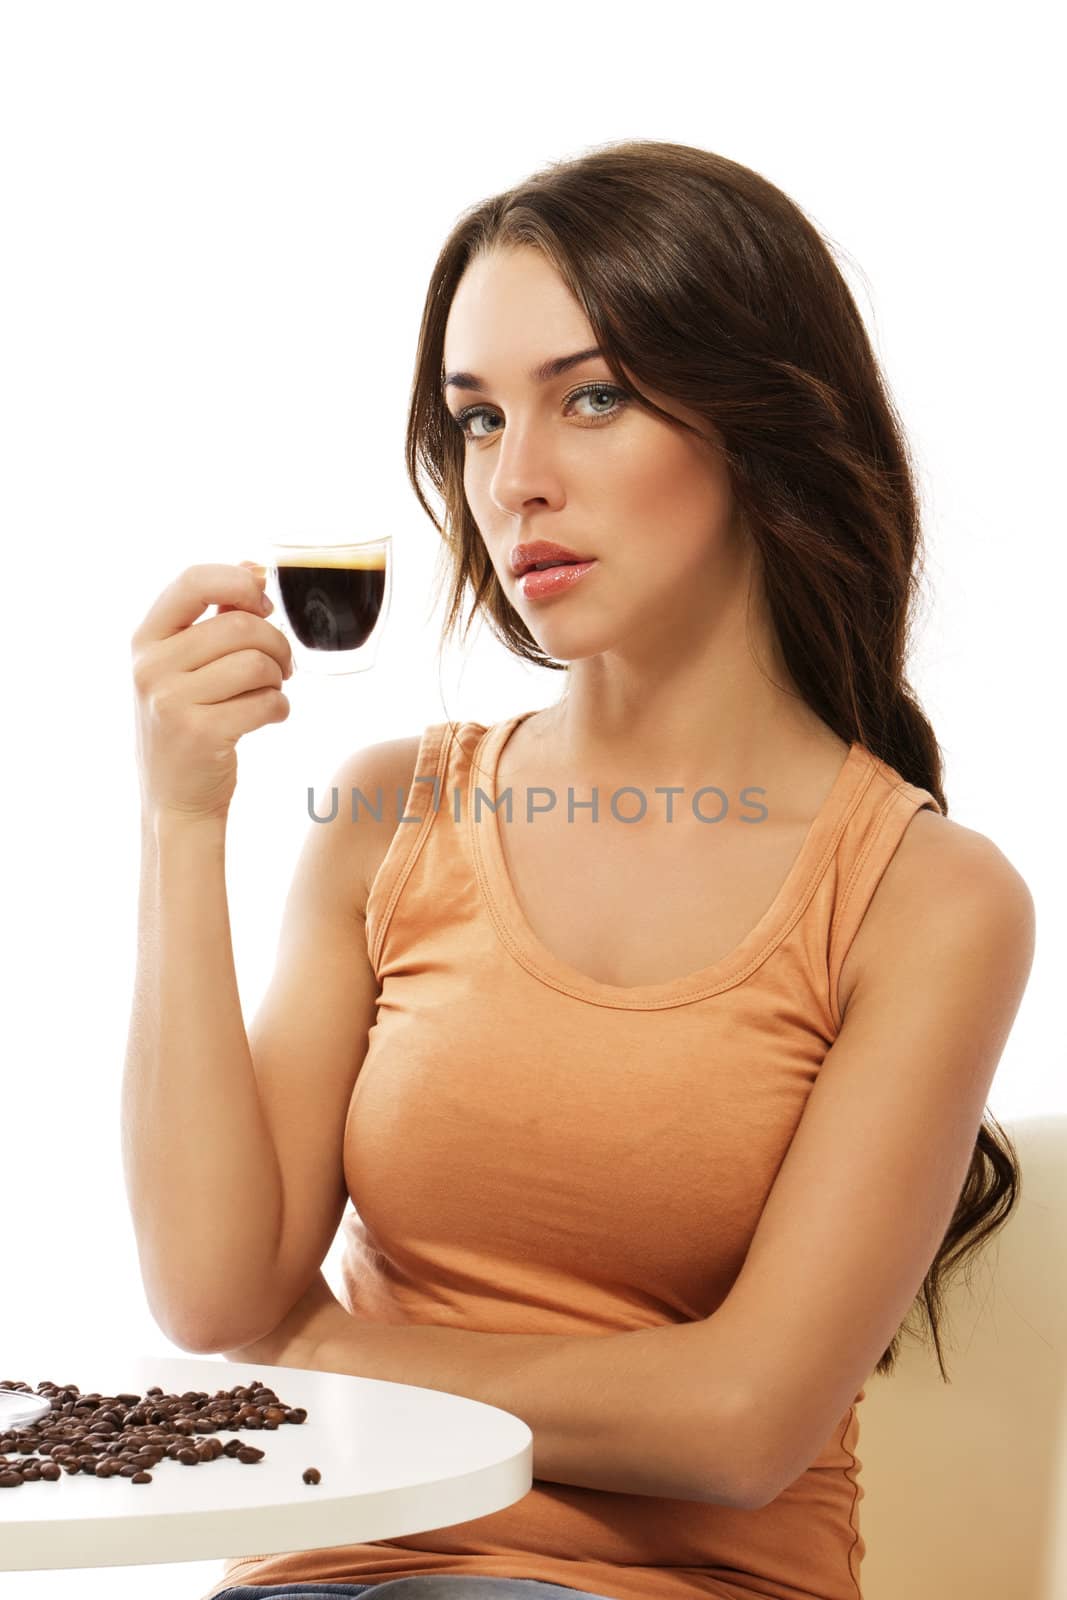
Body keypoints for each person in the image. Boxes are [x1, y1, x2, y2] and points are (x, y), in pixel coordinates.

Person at [124, 140, 1035, 1600]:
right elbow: (216, 1291)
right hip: (336, 1572)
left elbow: (743, 1427)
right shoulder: (389, 813)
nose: (516, 480)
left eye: (592, 396)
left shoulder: (923, 898)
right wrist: (179, 818)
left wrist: (323, 1355)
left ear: (760, 425)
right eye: (476, 420)